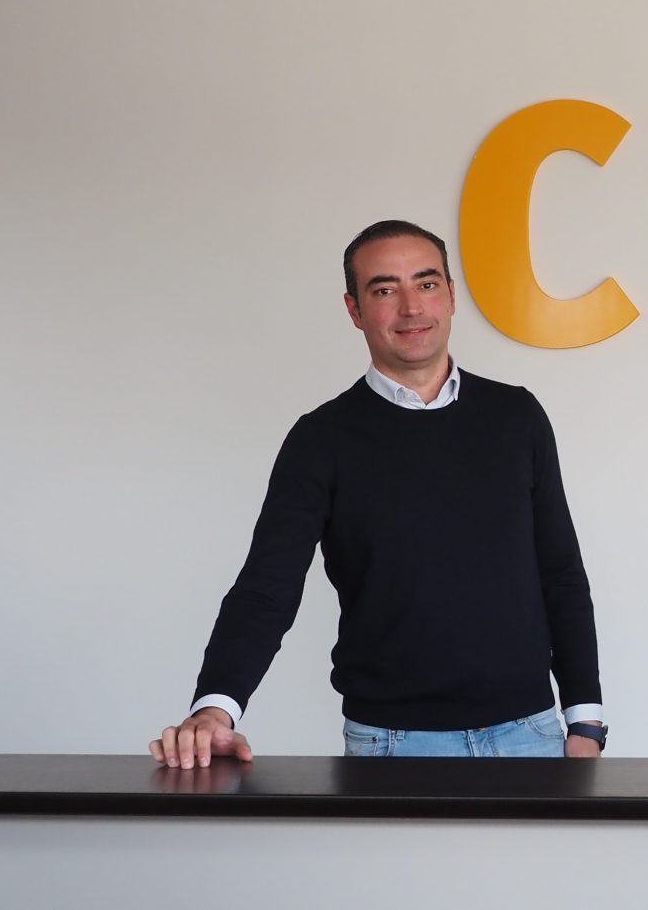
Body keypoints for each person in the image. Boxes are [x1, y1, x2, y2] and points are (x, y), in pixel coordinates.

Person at [150, 220, 607, 767]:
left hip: (530, 736)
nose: (412, 308)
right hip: (392, 745)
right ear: (355, 310)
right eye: (385, 290)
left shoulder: (517, 417)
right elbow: (267, 588)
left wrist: (585, 721)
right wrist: (215, 709)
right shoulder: (321, 439)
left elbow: (561, 572)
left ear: (451, 296)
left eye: (427, 284)